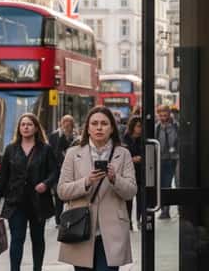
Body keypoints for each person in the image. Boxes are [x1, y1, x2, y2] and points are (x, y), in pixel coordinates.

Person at [58, 106, 137, 271]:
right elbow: (62, 191)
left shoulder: (123, 154)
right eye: (94, 123)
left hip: (112, 232)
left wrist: (115, 178)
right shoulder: (73, 153)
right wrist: (86, 182)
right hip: (81, 229)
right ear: (88, 128)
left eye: (104, 123)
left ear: (112, 128)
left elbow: (131, 191)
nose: (99, 127)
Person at [0, 113, 57, 271]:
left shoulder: (45, 149)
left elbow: (55, 172)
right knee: (17, 239)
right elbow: (3, 176)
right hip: (16, 202)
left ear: (35, 128)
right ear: (19, 128)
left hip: (38, 201)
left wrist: (46, 184)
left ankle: (37, 269)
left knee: (38, 239)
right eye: (23, 124)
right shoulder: (11, 149)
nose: (26, 127)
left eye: (29, 124)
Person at [48, 114, 76, 226]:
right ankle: (58, 220)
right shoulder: (55, 136)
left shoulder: (74, 137)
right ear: (61, 123)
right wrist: (61, 136)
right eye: (65, 122)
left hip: (71, 169)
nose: (67, 125)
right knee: (58, 195)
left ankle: (71, 217)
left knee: (71, 195)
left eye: (69, 123)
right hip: (57, 170)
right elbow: (54, 151)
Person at [154, 104, 177, 219]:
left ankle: (170, 209)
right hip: (161, 160)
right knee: (164, 185)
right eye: (161, 115)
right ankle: (165, 210)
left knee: (175, 184)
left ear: (169, 114)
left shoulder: (176, 126)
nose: (163, 118)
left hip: (175, 159)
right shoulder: (156, 128)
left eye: (165, 115)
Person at [122, 116, 143, 230]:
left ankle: (139, 219)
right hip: (129, 172)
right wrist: (132, 159)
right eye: (138, 126)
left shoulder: (143, 139)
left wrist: (141, 158)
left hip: (140, 172)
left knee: (141, 198)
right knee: (128, 198)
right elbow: (123, 153)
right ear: (133, 127)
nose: (140, 129)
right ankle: (128, 221)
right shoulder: (126, 138)